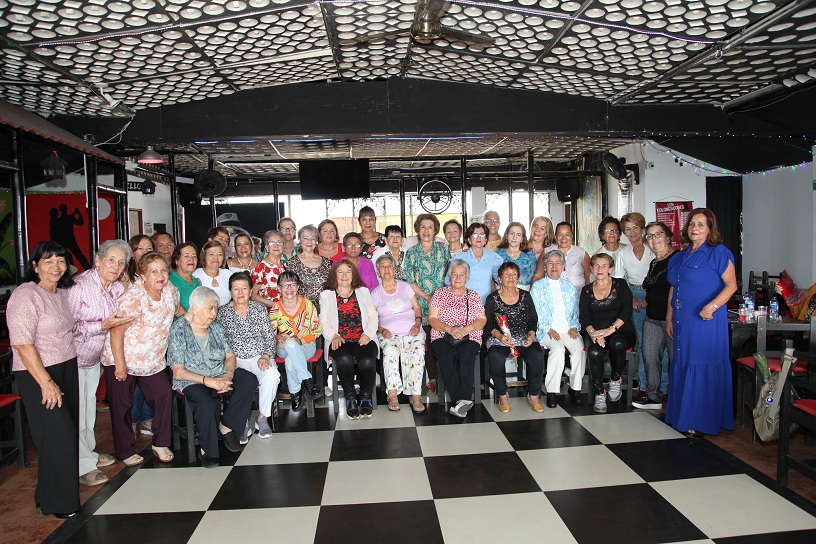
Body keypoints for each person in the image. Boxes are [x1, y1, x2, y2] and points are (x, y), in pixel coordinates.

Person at [8, 242, 80, 518]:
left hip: (66, 366)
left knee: (62, 434)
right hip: (38, 373)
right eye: (48, 261)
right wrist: (46, 383)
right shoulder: (25, 295)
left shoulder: (61, 293)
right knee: (58, 435)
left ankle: (45, 493)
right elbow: (23, 345)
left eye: (60, 261)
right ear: (35, 265)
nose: (56, 267)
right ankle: (61, 504)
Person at [102, 251, 178, 465]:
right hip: (123, 357)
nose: (160, 275)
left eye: (163, 270)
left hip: (152, 360)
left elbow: (176, 310)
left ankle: (160, 442)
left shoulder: (169, 290)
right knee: (123, 405)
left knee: (163, 393)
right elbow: (116, 331)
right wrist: (120, 365)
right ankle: (124, 451)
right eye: (153, 271)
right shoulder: (134, 298)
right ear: (142, 275)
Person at [666, 208, 737, 437]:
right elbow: (674, 288)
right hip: (682, 320)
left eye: (700, 225)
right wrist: (669, 316)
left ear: (710, 229)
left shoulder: (718, 253)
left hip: (705, 321)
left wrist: (712, 306)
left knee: (700, 363)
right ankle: (683, 415)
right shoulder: (680, 255)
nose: (694, 229)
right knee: (684, 362)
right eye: (692, 224)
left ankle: (700, 418)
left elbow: (731, 285)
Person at [69, 239, 134, 487]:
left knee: (88, 411)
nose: (116, 267)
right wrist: (102, 326)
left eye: (121, 263)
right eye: (111, 260)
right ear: (98, 260)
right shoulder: (79, 286)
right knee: (77, 412)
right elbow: (68, 326)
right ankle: (83, 466)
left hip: (94, 358)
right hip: (72, 357)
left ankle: (89, 454)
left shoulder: (116, 289)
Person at [170, 287, 257, 468]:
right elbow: (178, 371)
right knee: (205, 402)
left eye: (216, 308)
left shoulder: (215, 327)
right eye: (210, 308)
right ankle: (208, 451)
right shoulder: (179, 329)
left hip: (217, 372)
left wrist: (227, 375)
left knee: (248, 380)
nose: (214, 313)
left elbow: (230, 356)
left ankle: (228, 425)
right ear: (194, 308)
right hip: (191, 378)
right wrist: (208, 381)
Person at [217, 272, 280, 439]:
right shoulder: (222, 313)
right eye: (236, 289)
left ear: (251, 290)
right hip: (235, 361)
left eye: (244, 288)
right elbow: (219, 341)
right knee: (243, 382)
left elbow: (268, 336)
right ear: (230, 291)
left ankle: (262, 417)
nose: (240, 293)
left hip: (260, 356)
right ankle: (242, 422)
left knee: (272, 375)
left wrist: (266, 356)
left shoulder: (258, 309)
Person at [319, 261, 379, 419]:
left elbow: (373, 316)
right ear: (334, 275)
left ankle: (366, 398)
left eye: (348, 272)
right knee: (344, 359)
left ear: (354, 275)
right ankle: (350, 398)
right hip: (339, 339)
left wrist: (368, 334)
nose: (344, 276)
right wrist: (333, 336)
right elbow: (323, 320)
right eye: (340, 272)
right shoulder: (326, 295)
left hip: (363, 338)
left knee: (367, 360)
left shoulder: (363, 291)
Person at [429, 259, 487, 418]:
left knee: (467, 357)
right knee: (446, 357)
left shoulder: (473, 296)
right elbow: (432, 319)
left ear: (467, 277)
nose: (458, 278)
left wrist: (465, 330)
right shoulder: (439, 294)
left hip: (469, 335)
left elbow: (482, 320)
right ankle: (462, 400)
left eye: (462, 274)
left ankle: (458, 402)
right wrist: (450, 329)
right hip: (442, 334)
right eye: (455, 274)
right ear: (449, 276)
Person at [485, 262, 545, 413]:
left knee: (537, 355)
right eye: (507, 274)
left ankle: (533, 395)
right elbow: (489, 323)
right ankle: (503, 395)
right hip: (500, 338)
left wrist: (531, 336)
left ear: (518, 278)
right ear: (499, 278)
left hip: (524, 336)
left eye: (514, 274)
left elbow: (533, 319)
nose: (510, 278)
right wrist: (499, 336)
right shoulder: (492, 299)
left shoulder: (525, 296)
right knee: (495, 357)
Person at [580, 253, 636, 414]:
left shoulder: (620, 285)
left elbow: (627, 309)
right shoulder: (586, 290)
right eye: (596, 265)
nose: (600, 269)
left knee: (617, 343)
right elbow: (584, 316)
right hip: (596, 332)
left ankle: (615, 378)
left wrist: (611, 329)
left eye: (604, 266)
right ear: (590, 269)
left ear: (610, 269)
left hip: (620, 330)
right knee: (595, 351)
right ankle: (599, 392)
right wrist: (593, 333)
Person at [371, 254, 426, 413]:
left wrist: (417, 324)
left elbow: (417, 308)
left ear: (395, 270)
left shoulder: (405, 286)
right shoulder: (375, 294)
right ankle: (392, 394)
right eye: (383, 267)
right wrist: (382, 330)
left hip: (412, 330)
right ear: (378, 271)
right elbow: (372, 319)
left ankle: (415, 395)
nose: (387, 270)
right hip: (389, 334)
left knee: (417, 350)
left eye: (389, 266)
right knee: (390, 351)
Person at [531, 249, 585, 408]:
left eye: (558, 263)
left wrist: (574, 326)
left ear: (563, 267)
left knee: (579, 348)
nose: (554, 266)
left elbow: (575, 310)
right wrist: (548, 329)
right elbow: (536, 313)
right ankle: (552, 392)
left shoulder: (569, 287)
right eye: (550, 263)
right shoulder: (538, 287)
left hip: (567, 329)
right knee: (558, 349)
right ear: (545, 266)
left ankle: (575, 388)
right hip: (546, 330)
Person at [404, 213, 450, 393]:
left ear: (435, 230)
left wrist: (440, 298)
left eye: (430, 227)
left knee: (444, 340)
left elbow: (450, 277)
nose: (426, 231)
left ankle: (447, 376)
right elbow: (409, 281)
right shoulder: (412, 253)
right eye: (423, 227)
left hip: (443, 304)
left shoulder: (443, 250)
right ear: (417, 229)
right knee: (429, 341)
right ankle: (432, 379)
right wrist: (427, 297)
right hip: (420, 304)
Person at [616, 212, 658, 397]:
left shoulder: (654, 248)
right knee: (642, 342)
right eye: (627, 229)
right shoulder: (622, 253)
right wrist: (633, 300)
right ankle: (643, 384)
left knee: (659, 344)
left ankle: (662, 386)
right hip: (631, 294)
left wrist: (648, 300)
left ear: (642, 229)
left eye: (635, 228)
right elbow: (619, 281)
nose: (631, 232)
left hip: (655, 296)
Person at [269, 271, 323, 413]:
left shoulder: (308, 305)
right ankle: (307, 380)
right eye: (285, 286)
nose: (289, 289)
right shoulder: (275, 309)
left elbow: (317, 330)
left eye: (292, 285)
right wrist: (278, 337)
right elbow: (270, 333)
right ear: (279, 288)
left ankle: (295, 392)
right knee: (290, 343)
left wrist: (301, 339)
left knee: (290, 360)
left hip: (306, 345)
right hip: (283, 347)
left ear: (298, 287)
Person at [635, 221, 675, 410]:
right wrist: (644, 303)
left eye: (658, 234)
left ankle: (678, 397)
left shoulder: (677, 258)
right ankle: (653, 396)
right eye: (650, 236)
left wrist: (670, 317)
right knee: (650, 357)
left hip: (672, 319)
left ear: (668, 236)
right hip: (651, 318)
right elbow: (655, 290)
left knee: (675, 360)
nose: (654, 239)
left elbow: (676, 289)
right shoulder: (654, 262)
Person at [451, 222, 503, 304]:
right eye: (475, 235)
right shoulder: (460, 257)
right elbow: (449, 281)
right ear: (469, 240)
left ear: (486, 240)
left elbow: (499, 279)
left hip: (487, 303)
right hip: (464, 303)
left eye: (482, 235)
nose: (479, 237)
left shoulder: (493, 257)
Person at [533, 222, 590, 290]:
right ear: (555, 236)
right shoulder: (547, 251)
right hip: (551, 294)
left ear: (572, 236)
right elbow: (537, 276)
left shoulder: (581, 253)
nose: (563, 238)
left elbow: (588, 277)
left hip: (578, 296)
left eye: (567, 234)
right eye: (560, 235)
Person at [286, 224, 331, 306]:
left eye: (313, 238)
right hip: (301, 309)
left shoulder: (326, 262)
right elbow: (289, 288)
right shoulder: (292, 263)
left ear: (317, 240)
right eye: (306, 238)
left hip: (325, 308)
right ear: (300, 239)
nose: (309, 242)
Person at [495, 222, 537, 290]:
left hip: (526, 293)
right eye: (512, 233)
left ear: (522, 238)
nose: (514, 237)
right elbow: (495, 277)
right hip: (503, 292)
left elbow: (534, 277)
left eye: (518, 235)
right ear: (506, 235)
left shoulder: (530, 254)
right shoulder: (498, 254)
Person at [251, 229, 286, 308]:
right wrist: (275, 305)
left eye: (279, 242)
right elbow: (253, 295)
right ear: (266, 247)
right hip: (268, 312)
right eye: (272, 243)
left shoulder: (286, 266)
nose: (276, 245)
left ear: (284, 246)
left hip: (286, 311)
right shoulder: (260, 268)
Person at [193, 241, 233, 305]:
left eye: (220, 254)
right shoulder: (195, 275)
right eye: (211, 254)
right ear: (204, 256)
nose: (216, 258)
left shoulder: (228, 274)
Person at [169, 242, 201, 312]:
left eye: (194, 256)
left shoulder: (197, 281)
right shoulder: (170, 282)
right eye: (186, 256)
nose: (191, 259)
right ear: (176, 260)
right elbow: (176, 309)